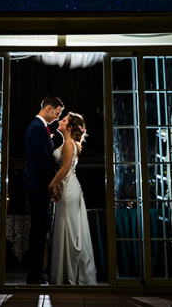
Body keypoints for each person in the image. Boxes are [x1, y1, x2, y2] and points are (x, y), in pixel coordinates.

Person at [48, 112, 97, 285]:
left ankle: (69, 275)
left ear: (69, 127)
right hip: (68, 187)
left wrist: (51, 185)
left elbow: (66, 168)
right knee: (67, 227)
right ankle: (66, 273)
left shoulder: (69, 144)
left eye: (64, 120)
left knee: (69, 228)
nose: (60, 121)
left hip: (68, 188)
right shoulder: (68, 143)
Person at [24, 95, 64, 284]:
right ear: (48, 108)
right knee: (38, 231)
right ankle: (34, 275)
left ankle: (36, 273)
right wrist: (51, 185)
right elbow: (42, 161)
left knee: (40, 230)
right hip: (39, 186)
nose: (57, 117)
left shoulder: (40, 128)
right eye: (57, 113)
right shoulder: (37, 128)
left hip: (38, 186)